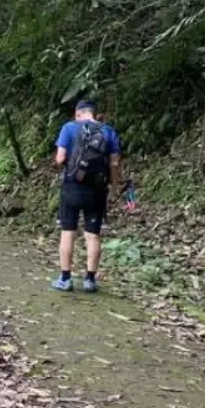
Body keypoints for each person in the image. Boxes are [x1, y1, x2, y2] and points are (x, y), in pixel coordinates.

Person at [51, 100, 122, 293]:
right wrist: (114, 187)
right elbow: (114, 164)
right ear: (95, 114)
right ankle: (90, 280)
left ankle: (65, 279)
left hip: (72, 186)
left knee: (68, 231)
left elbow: (59, 158)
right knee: (92, 234)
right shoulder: (108, 131)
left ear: (77, 113)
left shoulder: (69, 128)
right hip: (97, 190)